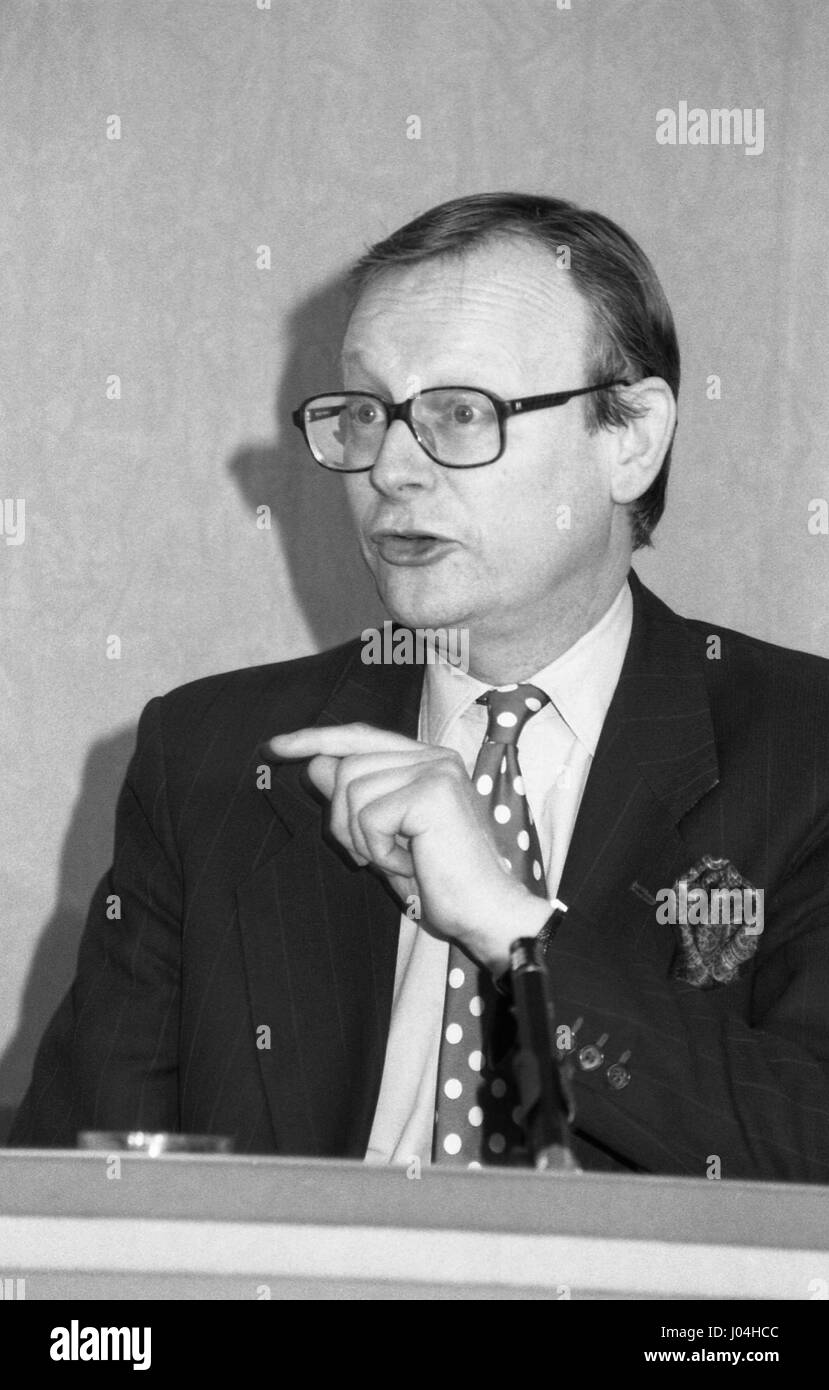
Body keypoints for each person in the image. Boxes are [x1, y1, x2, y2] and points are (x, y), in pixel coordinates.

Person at [10, 192, 829, 1181]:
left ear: (629, 438)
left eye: (458, 412)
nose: (392, 467)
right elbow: (82, 1191)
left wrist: (516, 934)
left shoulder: (800, 751)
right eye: (367, 413)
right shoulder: (219, 759)